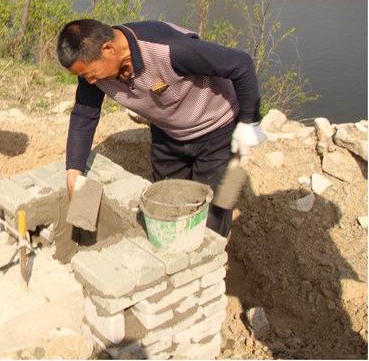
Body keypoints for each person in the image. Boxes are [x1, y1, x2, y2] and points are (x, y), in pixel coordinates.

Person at [56, 19, 265, 237]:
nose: (89, 81)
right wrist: (74, 169)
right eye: (84, 76)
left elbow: (241, 64)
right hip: (167, 133)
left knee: (213, 214)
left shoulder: (170, 49)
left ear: (108, 49)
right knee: (166, 205)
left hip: (217, 130)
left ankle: (212, 252)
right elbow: (84, 114)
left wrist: (249, 121)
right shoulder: (94, 73)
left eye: (90, 73)